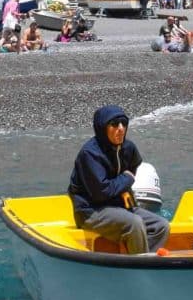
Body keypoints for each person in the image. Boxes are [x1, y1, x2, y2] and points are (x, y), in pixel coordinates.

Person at [68, 106, 167, 254]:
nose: (121, 128)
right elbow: (102, 192)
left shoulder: (128, 147)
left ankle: (141, 257)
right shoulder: (90, 154)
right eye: (114, 124)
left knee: (161, 226)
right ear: (103, 128)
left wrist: (126, 181)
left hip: (120, 207)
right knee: (134, 223)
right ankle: (140, 264)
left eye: (124, 123)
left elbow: (134, 165)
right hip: (91, 211)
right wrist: (126, 178)